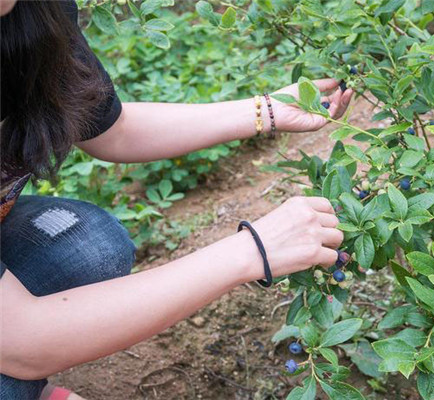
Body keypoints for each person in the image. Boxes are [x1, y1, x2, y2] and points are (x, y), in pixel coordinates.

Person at [0, 1, 351, 398]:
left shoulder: (31, 13)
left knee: (93, 246)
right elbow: (23, 338)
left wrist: (266, 111)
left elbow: (115, 132)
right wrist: (254, 250)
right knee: (11, 370)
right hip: (16, 333)